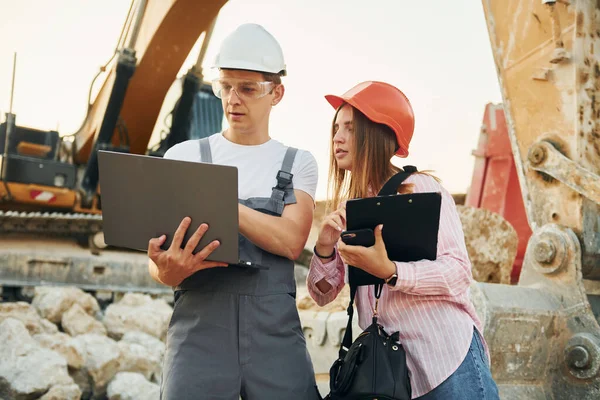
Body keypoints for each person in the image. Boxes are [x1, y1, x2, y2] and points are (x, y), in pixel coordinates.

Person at [148, 23, 321, 400]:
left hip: (274, 336)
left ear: (277, 93)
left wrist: (218, 201)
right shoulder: (184, 156)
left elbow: (291, 241)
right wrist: (164, 271)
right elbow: (156, 255)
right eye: (224, 86)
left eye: (247, 89)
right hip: (199, 334)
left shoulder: (297, 163)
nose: (232, 99)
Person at [307, 81, 500, 399]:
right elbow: (323, 295)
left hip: (445, 361)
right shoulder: (350, 209)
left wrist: (391, 271)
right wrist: (325, 247)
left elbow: (457, 273)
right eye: (335, 128)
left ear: (377, 133)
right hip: (392, 376)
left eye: (350, 128)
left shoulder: (421, 188)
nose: (337, 138)